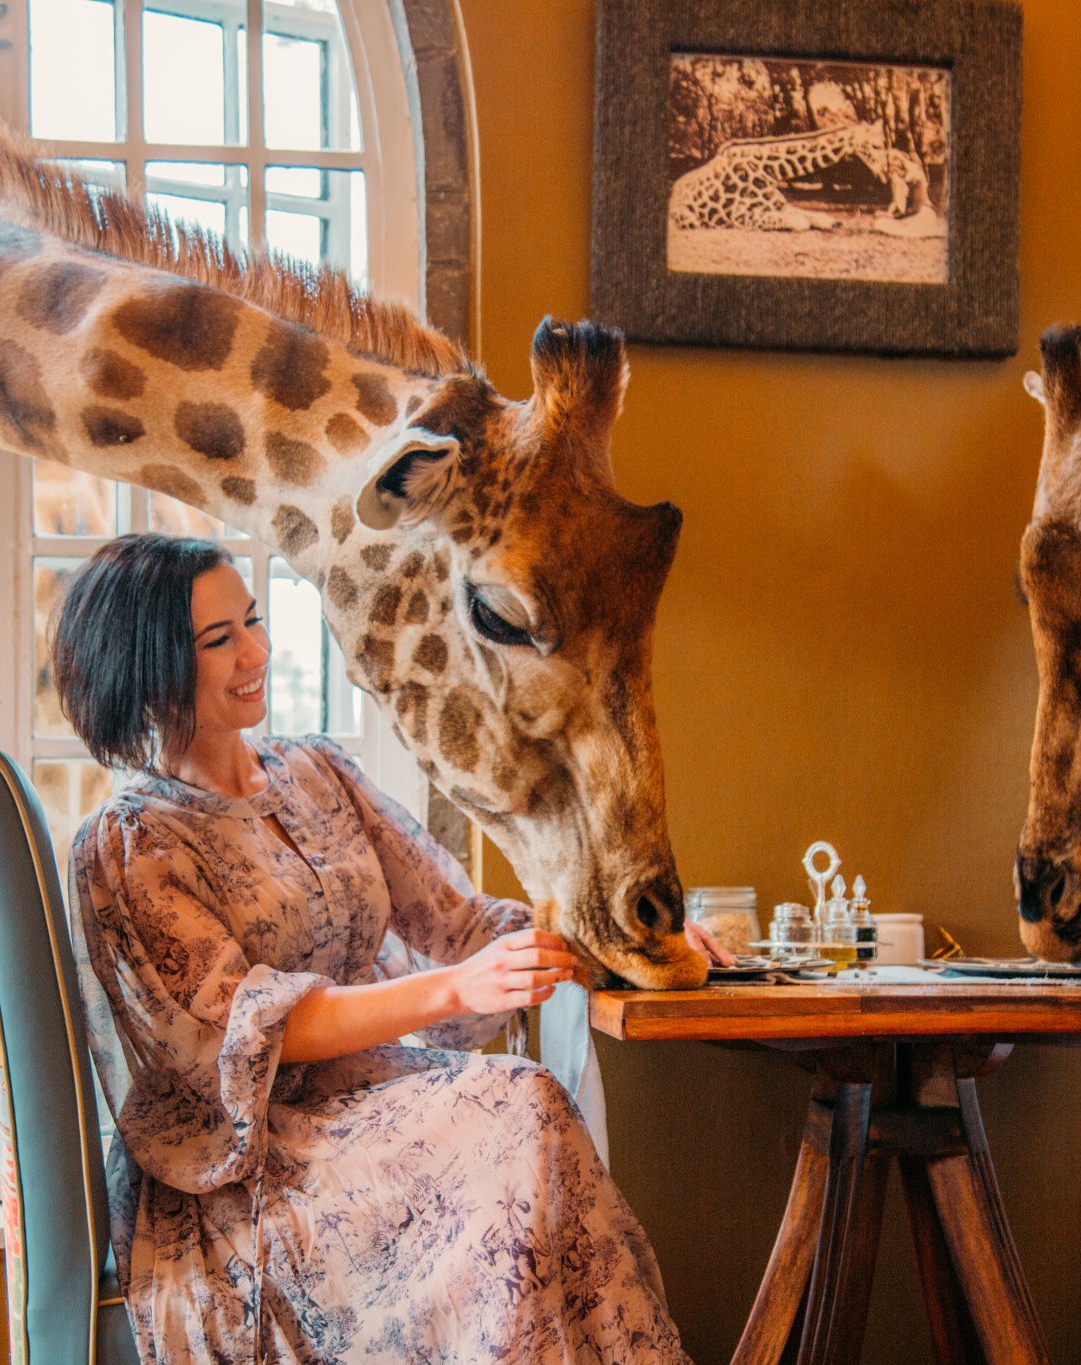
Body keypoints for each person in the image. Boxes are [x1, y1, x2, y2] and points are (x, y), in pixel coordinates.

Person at [54, 533, 716, 1363]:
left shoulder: (318, 772)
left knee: (526, 1116)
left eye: (253, 622)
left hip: (384, 1107)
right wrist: (451, 992)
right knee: (519, 1108)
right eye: (219, 640)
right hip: (255, 1176)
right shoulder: (127, 845)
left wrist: (623, 940)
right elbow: (250, 1034)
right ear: (144, 666)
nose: (256, 652)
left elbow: (460, 922)